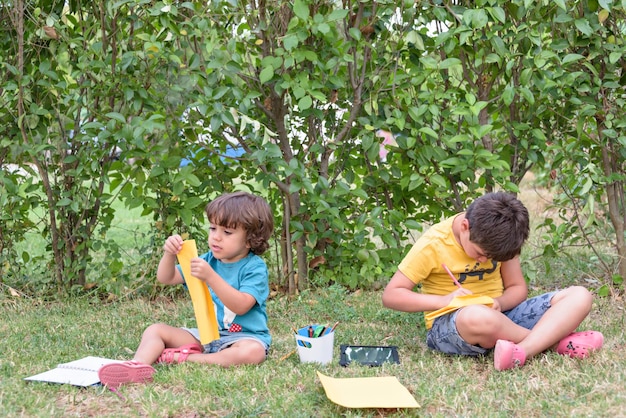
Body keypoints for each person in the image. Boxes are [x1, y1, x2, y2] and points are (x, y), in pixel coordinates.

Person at [382, 192, 603, 371]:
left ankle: (523, 350)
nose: (484, 260)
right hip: (453, 324)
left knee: (580, 295)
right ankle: (555, 343)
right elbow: (392, 295)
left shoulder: (502, 240)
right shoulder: (434, 243)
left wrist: (499, 303)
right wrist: (445, 300)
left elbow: (517, 289)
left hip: (502, 316)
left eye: (492, 258)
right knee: (477, 317)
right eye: (480, 253)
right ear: (465, 227)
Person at [98, 191, 275, 387]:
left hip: (243, 337)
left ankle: (184, 358)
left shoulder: (254, 267)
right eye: (213, 228)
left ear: (250, 239)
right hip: (206, 336)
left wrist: (210, 277)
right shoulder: (207, 260)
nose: (216, 237)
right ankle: (136, 366)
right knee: (155, 330)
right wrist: (169, 254)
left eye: (227, 232)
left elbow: (241, 305)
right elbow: (166, 277)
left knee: (253, 353)